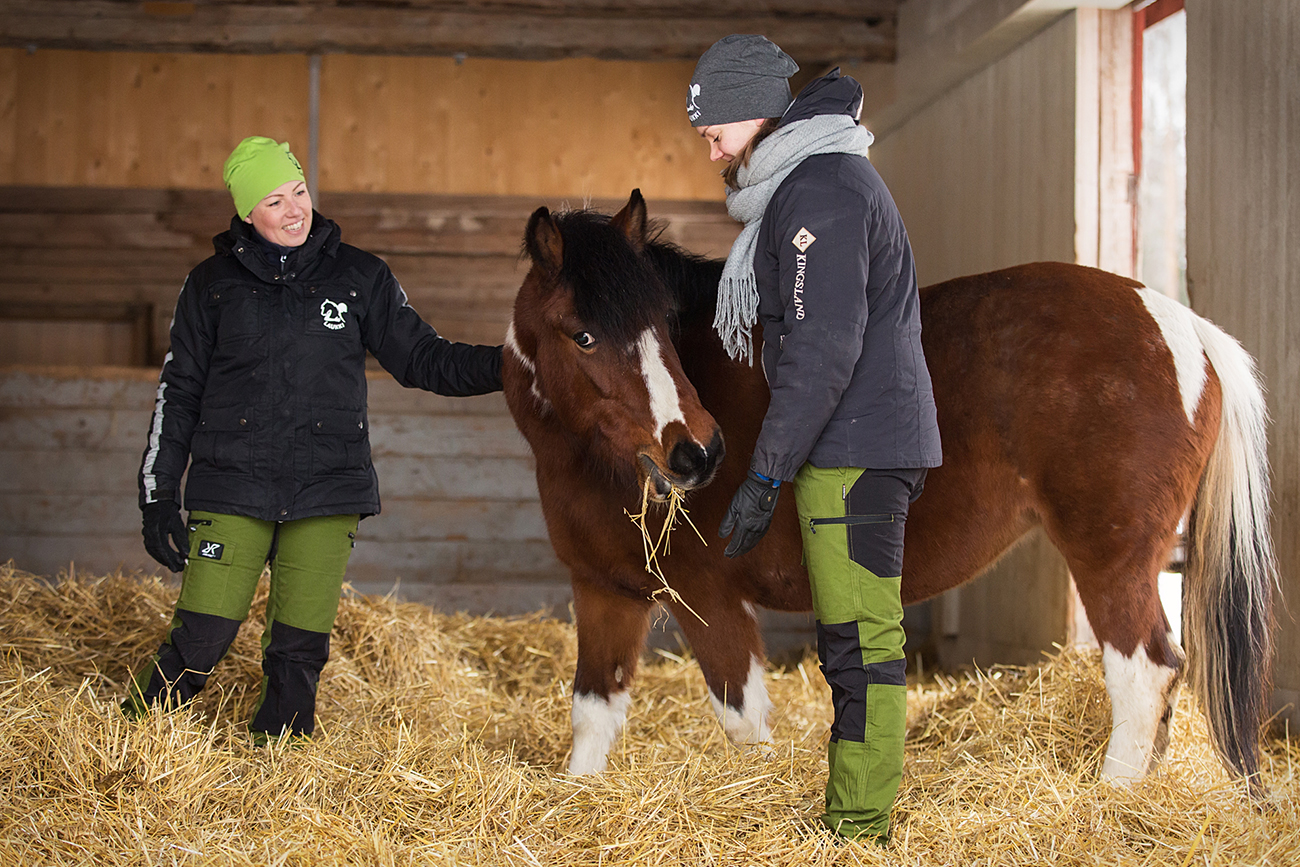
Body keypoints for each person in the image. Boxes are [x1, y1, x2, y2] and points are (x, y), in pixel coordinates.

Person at [124, 136, 504, 742]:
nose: (295, 210)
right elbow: (179, 394)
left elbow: (425, 360)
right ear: (248, 212)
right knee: (201, 638)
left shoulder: (360, 276)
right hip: (233, 484)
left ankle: (277, 777)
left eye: (299, 192)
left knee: (299, 655)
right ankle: (124, 739)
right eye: (275, 201)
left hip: (326, 487)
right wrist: (157, 496)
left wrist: (515, 363)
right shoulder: (211, 285)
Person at [694, 36, 942, 843]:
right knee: (851, 639)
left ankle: (859, 828)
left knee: (862, 644)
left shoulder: (821, 191)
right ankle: (854, 815)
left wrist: (765, 474)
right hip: (856, 443)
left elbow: (822, 348)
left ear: (752, 107)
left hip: (856, 449)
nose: (706, 141)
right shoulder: (809, 182)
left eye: (713, 123)